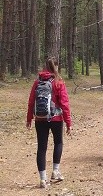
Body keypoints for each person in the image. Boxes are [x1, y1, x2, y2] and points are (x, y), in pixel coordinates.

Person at [26, 57, 72, 188]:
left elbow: (31, 101)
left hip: (40, 119)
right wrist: (68, 123)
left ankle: (42, 179)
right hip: (56, 118)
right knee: (58, 142)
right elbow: (64, 104)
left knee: (41, 147)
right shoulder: (58, 82)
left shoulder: (37, 82)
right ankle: (55, 172)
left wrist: (29, 118)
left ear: (45, 67)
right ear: (56, 67)